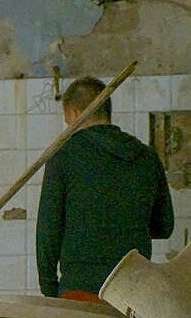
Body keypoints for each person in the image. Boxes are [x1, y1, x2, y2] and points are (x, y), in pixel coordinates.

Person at [36, 76, 174, 303]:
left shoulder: (65, 155)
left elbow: (48, 231)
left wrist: (50, 289)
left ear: (72, 113)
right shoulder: (146, 156)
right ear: (107, 111)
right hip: (134, 291)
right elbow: (164, 227)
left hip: (80, 291)